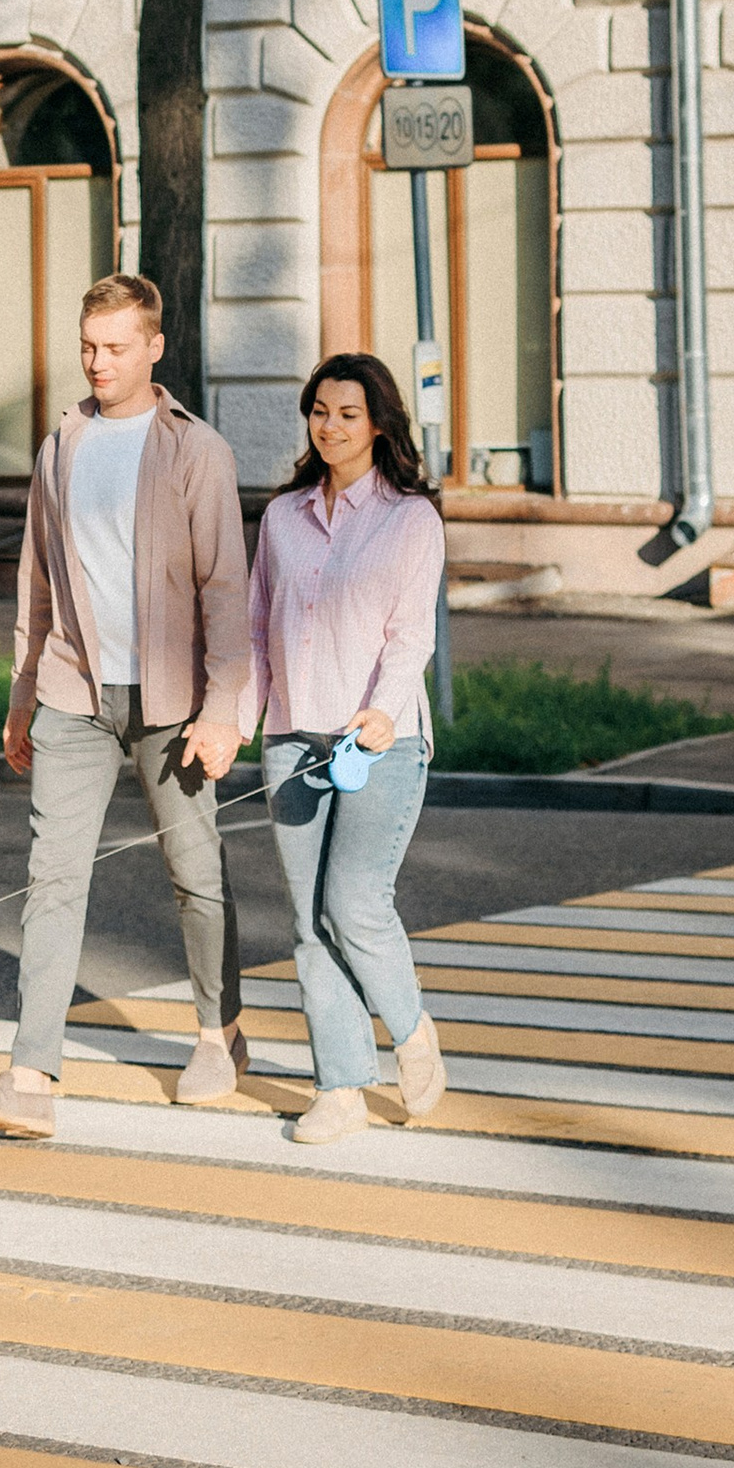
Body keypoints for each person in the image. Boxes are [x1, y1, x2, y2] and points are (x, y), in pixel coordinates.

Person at [0, 270, 251, 1145]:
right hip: (74, 692)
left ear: (155, 348)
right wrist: (21, 695)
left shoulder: (197, 450)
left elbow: (226, 591)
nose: (99, 362)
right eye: (88, 347)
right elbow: (34, 585)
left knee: (195, 873)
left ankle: (216, 1034)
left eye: (117, 348)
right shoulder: (61, 447)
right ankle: (30, 1076)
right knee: (52, 880)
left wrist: (223, 707)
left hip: (172, 701)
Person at [245, 351, 447, 1146]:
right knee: (307, 922)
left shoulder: (410, 518)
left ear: (380, 423)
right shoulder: (284, 516)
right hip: (293, 736)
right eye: (320, 412)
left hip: (379, 743)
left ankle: (412, 1030)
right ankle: (339, 1088)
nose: (330, 427)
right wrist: (238, 720)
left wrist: (383, 711)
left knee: (353, 903)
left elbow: (411, 636)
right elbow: (257, 629)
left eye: (348, 414)